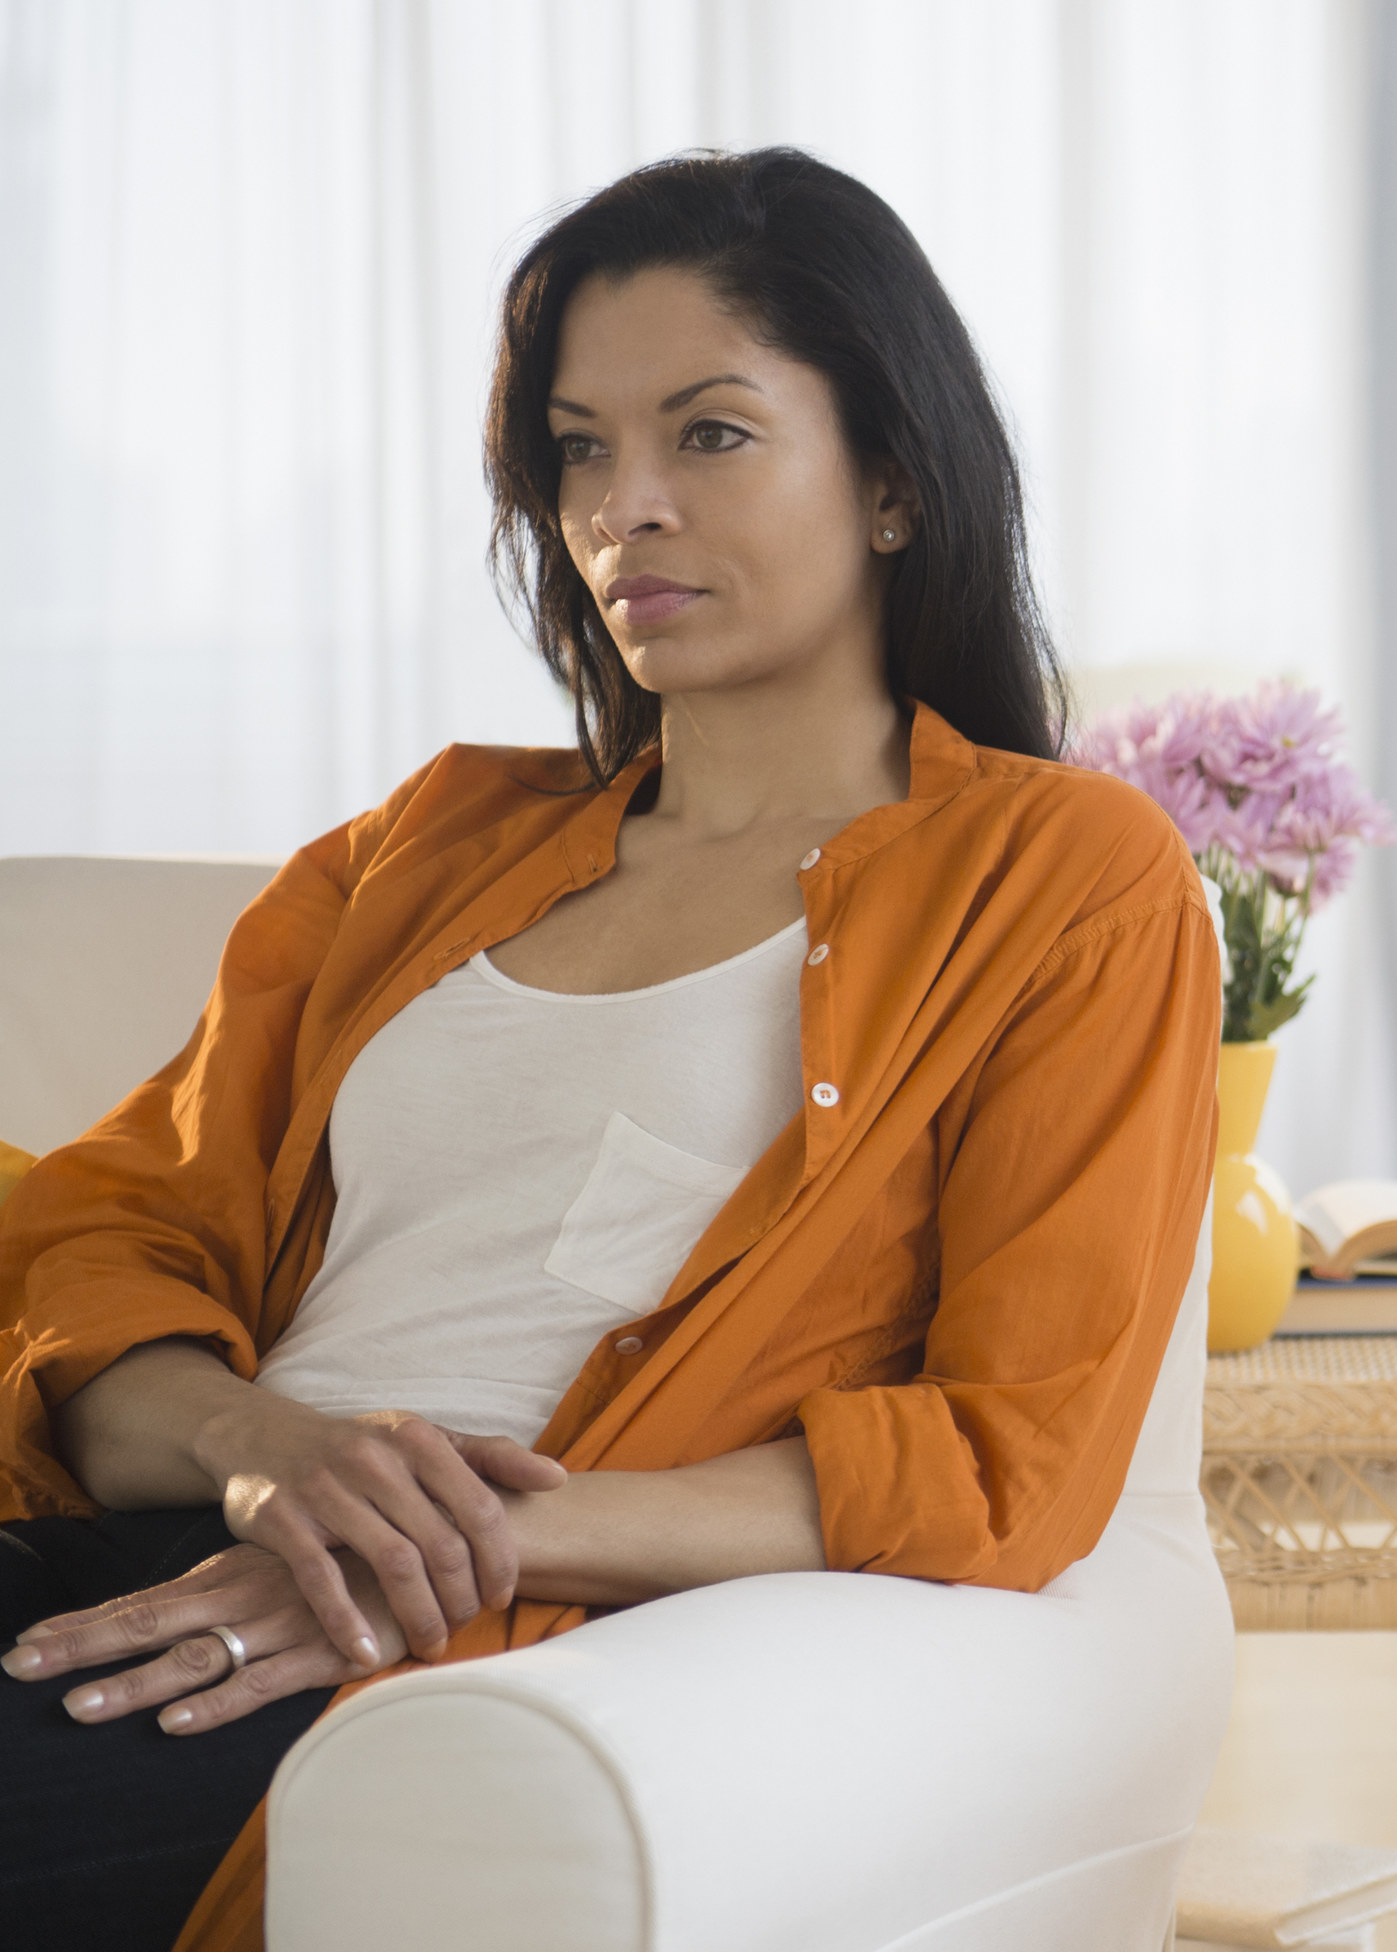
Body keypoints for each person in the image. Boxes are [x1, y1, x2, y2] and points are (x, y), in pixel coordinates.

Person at [0, 147, 1220, 1951]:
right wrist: (274, 1454)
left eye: (708, 435)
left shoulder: (1060, 878)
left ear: (891, 480)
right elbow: (103, 1241)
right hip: (183, 1532)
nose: (621, 507)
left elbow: (1000, 1454)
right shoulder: (425, 845)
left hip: (469, 1655)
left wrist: (437, 1547)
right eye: (580, 447)